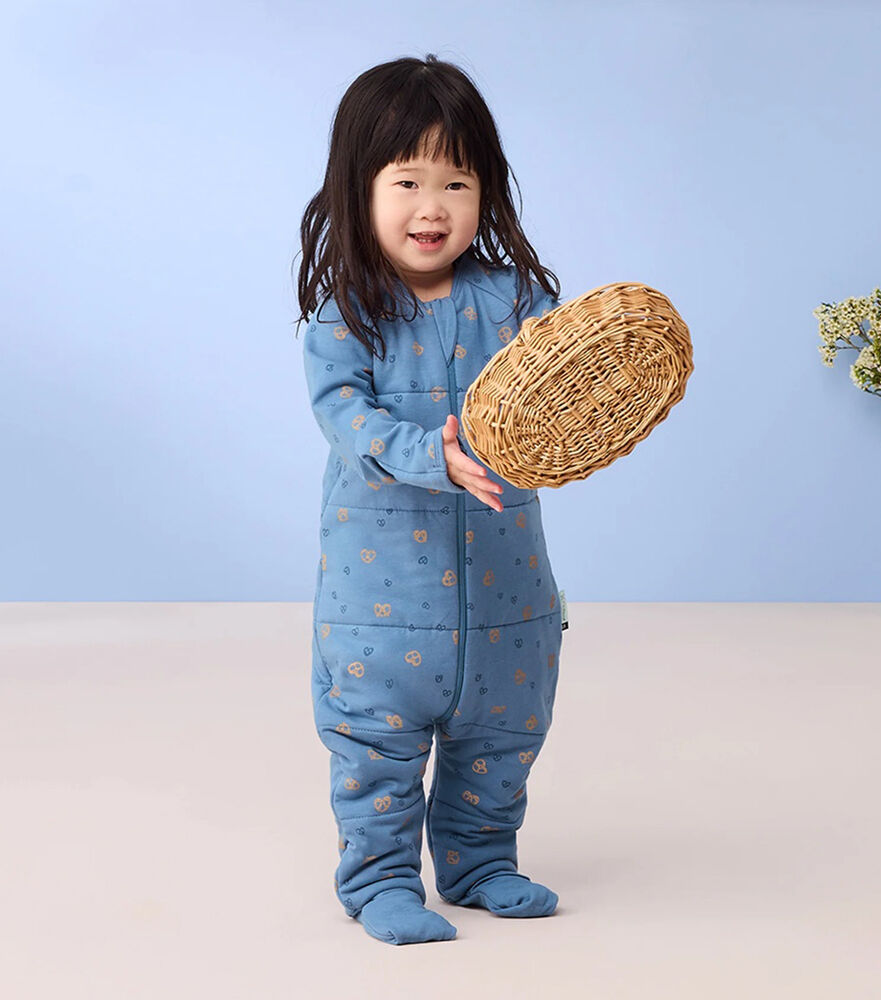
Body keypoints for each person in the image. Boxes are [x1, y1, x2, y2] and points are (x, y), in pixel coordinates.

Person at [295, 54, 564, 946]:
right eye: (407, 181)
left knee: (503, 737)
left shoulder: (516, 302)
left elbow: (557, 378)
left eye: (457, 182)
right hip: (379, 608)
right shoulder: (346, 314)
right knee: (374, 745)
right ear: (360, 188)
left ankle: (481, 862)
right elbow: (347, 419)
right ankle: (378, 880)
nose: (433, 206)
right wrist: (429, 453)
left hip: (507, 597)